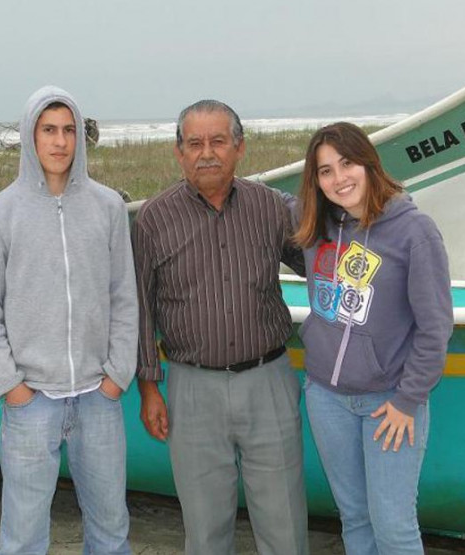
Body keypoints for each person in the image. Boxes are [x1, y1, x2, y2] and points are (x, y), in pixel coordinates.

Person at [133, 99, 309, 555]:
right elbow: (140, 309)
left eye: (217, 141)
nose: (206, 153)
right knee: (205, 528)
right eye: (194, 143)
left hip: (268, 380)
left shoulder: (271, 207)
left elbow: (322, 265)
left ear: (239, 147)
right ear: (179, 152)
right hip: (192, 389)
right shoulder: (153, 219)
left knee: (284, 524)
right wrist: (150, 387)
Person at [0, 85, 137, 555]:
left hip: (98, 398)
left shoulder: (107, 207)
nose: (60, 142)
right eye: (48, 130)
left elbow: (124, 295)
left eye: (68, 130)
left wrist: (116, 377)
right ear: (30, 136)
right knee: (22, 535)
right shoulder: (0, 214)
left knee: (109, 528)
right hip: (32, 400)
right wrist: (12, 387)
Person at [293, 122, 453, 554]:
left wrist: (408, 400)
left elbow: (435, 325)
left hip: (389, 404)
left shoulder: (415, 231)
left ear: (368, 162)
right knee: (355, 518)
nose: (339, 178)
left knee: (394, 526)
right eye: (325, 171)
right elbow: (261, 202)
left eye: (347, 164)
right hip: (326, 397)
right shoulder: (318, 225)